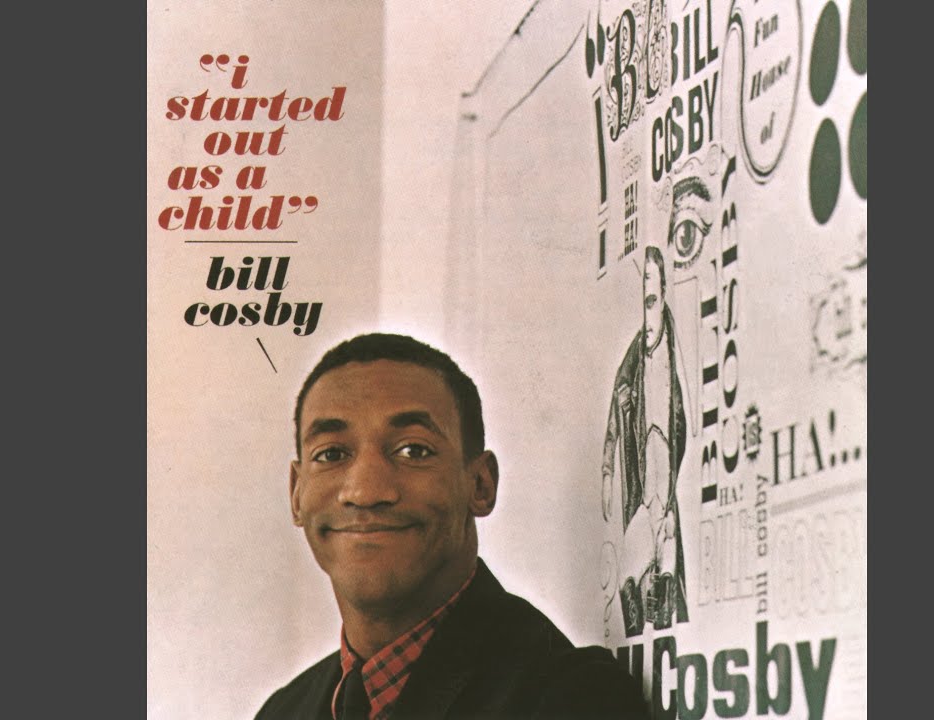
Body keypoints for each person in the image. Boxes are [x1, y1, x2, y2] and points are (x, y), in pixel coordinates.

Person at [256, 333, 649, 720]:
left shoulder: (572, 699)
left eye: (413, 450)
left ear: (480, 484)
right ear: (296, 494)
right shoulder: (282, 711)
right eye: (331, 454)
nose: (365, 491)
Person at [601, 245, 689, 638]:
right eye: (643, 302)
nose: (647, 313)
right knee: (627, 583)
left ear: (664, 295)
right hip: (645, 501)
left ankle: (663, 624)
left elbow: (685, 423)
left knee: (667, 577)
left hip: (665, 502)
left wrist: (670, 507)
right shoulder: (636, 354)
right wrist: (607, 469)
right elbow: (616, 399)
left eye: (651, 300)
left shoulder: (675, 351)